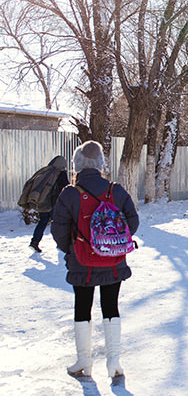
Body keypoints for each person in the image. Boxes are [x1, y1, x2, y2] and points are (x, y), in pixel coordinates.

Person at [51, 141, 139, 378]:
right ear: (101, 163)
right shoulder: (116, 190)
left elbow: (58, 229)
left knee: (82, 307)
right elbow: (133, 222)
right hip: (113, 262)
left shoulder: (70, 193)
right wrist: (115, 243)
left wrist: (71, 250)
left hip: (82, 262)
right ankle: (114, 362)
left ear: (77, 164)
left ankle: (83, 362)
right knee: (111, 306)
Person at [18, 156, 70, 253]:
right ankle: (60, 243)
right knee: (58, 223)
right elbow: (66, 186)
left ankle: (34, 242)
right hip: (53, 203)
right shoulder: (61, 173)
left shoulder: (46, 171)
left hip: (42, 202)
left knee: (43, 222)